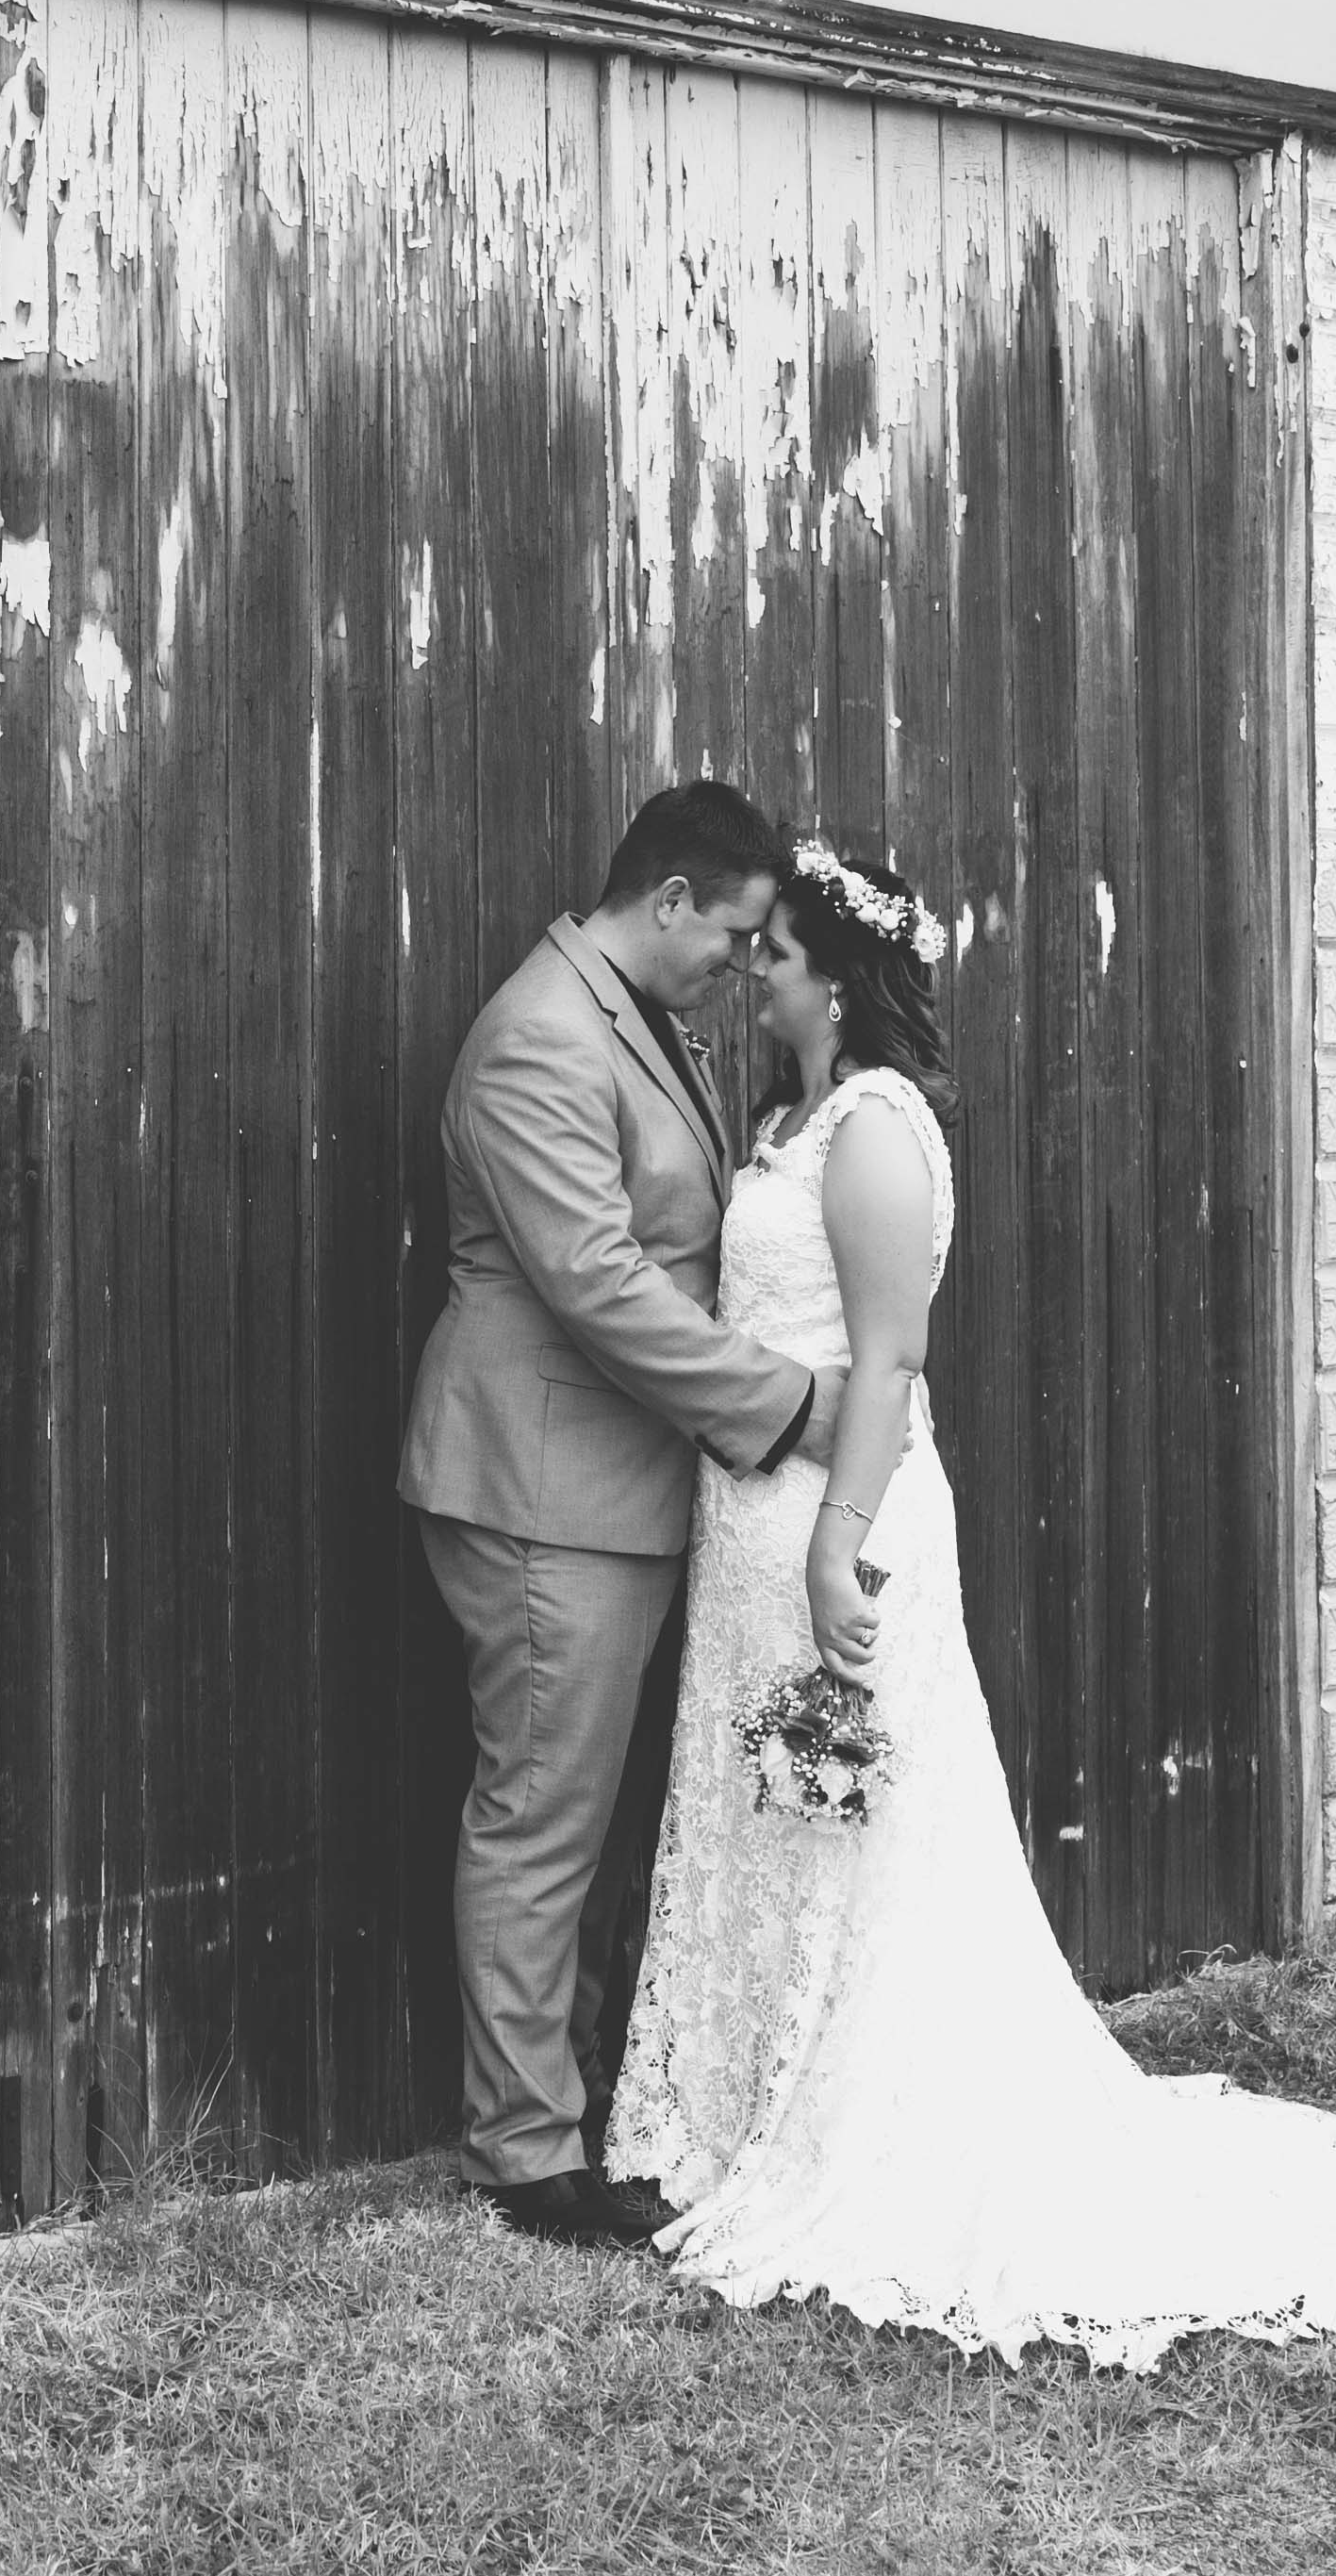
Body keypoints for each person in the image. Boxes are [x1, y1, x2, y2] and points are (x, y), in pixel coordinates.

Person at [605, 836, 1336, 2364]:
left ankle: (861, 2114)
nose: (752, 972)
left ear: (834, 976)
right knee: (771, 1808)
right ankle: (748, 2100)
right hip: (743, 1519)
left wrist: (835, 1544)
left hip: (834, 1519)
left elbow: (889, 1358)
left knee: (857, 1816)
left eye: (776, 953)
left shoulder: (874, 1130)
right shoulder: (781, 1118)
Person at [400, 781, 840, 2252]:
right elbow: (598, 1283)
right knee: (541, 1813)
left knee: (587, 1815)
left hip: (622, 1481)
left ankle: (578, 2099)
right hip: (543, 1486)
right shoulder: (538, 1034)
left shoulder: (639, 1016)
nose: (737, 967)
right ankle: (525, 2151)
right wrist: (787, 1403)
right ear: (666, 899)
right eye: (728, 935)